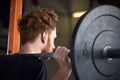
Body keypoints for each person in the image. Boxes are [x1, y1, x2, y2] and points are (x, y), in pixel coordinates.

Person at [17, 7, 72, 80]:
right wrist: (65, 70)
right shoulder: (37, 66)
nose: (53, 46)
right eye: (53, 39)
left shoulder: (3, 61)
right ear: (44, 36)